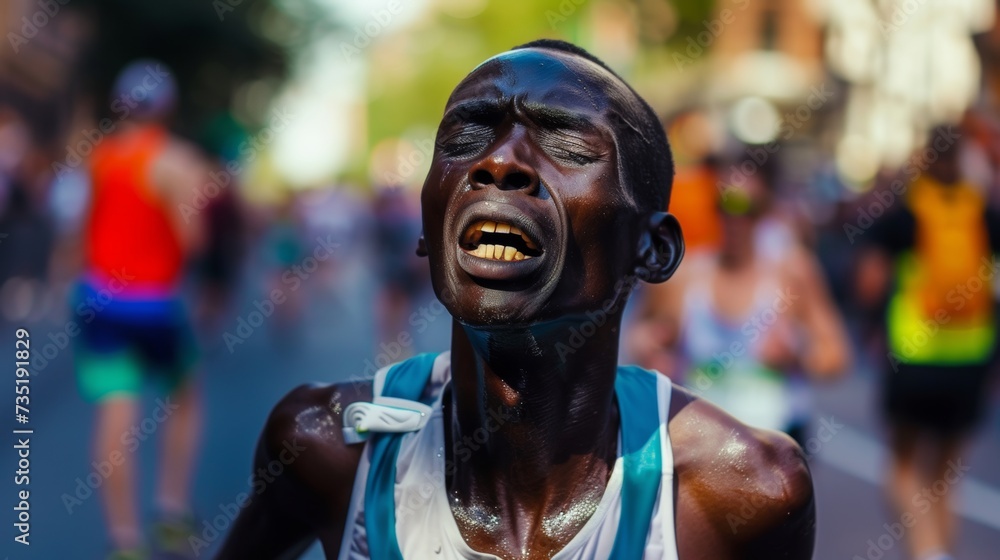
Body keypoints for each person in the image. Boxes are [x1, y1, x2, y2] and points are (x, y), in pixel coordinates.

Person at [216, 40, 815, 559]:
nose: (499, 161)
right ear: (428, 226)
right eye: (469, 137)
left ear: (650, 249)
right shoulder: (325, 448)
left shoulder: (743, 491)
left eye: (569, 149)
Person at [77, 60, 206, 560]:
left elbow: (85, 227)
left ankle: (124, 540)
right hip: (154, 305)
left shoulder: (101, 158)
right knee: (185, 397)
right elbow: (191, 238)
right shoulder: (175, 160)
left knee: (115, 412)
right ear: (167, 107)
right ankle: (170, 509)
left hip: (99, 301)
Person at [856, 125, 1000, 560]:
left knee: (902, 465)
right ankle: (939, 550)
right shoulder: (984, 214)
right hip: (971, 358)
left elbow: (869, 281)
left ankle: (926, 553)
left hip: (913, 358)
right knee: (944, 475)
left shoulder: (905, 213)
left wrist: (871, 328)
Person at [631, 169, 850, 444]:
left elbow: (837, 356)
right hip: (700, 442)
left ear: (763, 215)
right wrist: (649, 347)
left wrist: (797, 355)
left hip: (774, 443)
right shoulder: (684, 277)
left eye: (746, 209)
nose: (734, 220)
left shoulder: (792, 273)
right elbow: (638, 336)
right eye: (725, 207)